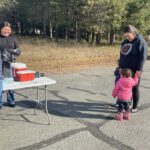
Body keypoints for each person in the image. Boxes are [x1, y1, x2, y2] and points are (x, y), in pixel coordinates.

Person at [118, 25, 148, 113]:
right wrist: (120, 66)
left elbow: (143, 57)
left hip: (135, 69)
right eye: (125, 36)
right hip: (125, 69)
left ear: (133, 33)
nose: (127, 37)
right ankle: (127, 104)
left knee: (134, 88)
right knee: (125, 87)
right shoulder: (125, 42)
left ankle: (134, 108)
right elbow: (122, 54)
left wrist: (139, 69)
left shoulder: (140, 41)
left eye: (128, 35)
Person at [0, 21, 19, 108]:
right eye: (5, 29)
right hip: (0, 64)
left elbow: (18, 51)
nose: (7, 31)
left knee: (9, 82)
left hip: (8, 64)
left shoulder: (13, 38)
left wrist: (12, 55)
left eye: (9, 29)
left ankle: (11, 100)